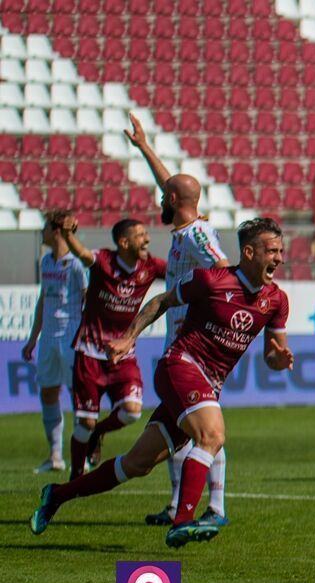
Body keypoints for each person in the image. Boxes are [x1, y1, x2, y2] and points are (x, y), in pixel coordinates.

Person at [30, 218, 293, 549]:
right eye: (272, 251)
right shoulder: (211, 280)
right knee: (212, 435)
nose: (279, 258)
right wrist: (127, 339)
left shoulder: (276, 300)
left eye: (281, 251)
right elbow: (161, 302)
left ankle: (57, 494)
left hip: (208, 384)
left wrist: (278, 360)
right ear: (249, 252)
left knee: (136, 464)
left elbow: (272, 354)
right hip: (180, 365)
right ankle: (182, 520)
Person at [124, 112, 232, 528]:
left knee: (205, 424)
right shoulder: (185, 224)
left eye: (163, 197)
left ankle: (216, 508)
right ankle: (177, 505)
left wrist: (209, 319)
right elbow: (173, 188)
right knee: (183, 422)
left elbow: (222, 272)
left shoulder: (197, 236)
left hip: (195, 344)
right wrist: (145, 147)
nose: (160, 200)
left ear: (172, 202)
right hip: (181, 341)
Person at [62, 217, 166, 480]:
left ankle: (99, 432)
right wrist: (68, 234)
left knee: (132, 412)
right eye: (141, 235)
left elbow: (179, 270)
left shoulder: (150, 266)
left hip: (123, 354)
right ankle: (76, 477)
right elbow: (83, 254)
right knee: (84, 423)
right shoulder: (105, 261)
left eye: (146, 233)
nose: (147, 239)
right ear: (124, 242)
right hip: (90, 353)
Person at [21, 210, 88, 474]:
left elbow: (87, 299)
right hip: (48, 338)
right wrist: (32, 338)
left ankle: (82, 456)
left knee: (78, 398)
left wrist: (85, 335)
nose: (42, 233)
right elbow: (42, 301)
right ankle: (55, 455)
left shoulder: (76, 264)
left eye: (46, 228)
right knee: (48, 392)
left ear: (57, 230)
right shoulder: (46, 262)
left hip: (71, 337)